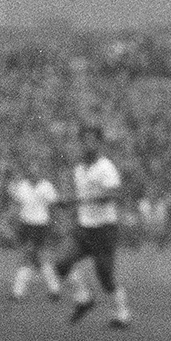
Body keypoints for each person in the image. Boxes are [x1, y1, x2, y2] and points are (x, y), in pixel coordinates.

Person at [52, 125, 133, 329]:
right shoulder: (79, 168)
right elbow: (79, 198)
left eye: (92, 140)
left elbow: (114, 193)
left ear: (99, 143)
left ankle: (122, 314)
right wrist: (69, 203)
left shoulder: (106, 167)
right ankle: (84, 298)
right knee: (61, 263)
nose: (87, 144)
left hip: (104, 228)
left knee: (104, 275)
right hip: (84, 228)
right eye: (84, 140)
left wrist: (80, 200)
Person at [7, 156, 64, 303]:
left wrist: (55, 225)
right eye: (31, 169)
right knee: (37, 259)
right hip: (26, 225)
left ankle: (17, 293)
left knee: (29, 257)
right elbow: (16, 202)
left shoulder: (47, 186)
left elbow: (53, 207)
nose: (33, 172)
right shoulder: (22, 186)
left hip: (40, 226)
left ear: (40, 171)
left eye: (36, 169)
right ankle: (54, 290)